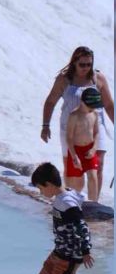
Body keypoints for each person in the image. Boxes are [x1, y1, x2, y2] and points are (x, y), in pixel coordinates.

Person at [42, 47, 114, 196]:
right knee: (73, 169)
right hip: (70, 128)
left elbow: (108, 105)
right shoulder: (64, 79)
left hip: (94, 126)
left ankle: (94, 205)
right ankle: (73, 201)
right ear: (74, 62)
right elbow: (50, 102)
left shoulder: (97, 78)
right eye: (82, 64)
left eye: (89, 64)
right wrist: (45, 125)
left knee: (98, 165)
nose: (86, 68)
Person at [30, 163, 94, 274]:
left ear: (50, 184)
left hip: (71, 253)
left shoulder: (67, 203)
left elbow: (82, 227)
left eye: (41, 188)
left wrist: (85, 251)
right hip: (60, 250)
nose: (40, 192)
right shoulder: (62, 197)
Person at [64, 88, 104, 202]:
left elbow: (96, 133)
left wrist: (94, 148)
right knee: (77, 182)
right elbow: (69, 137)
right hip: (76, 150)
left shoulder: (95, 114)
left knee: (93, 176)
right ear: (82, 101)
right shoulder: (74, 115)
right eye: (91, 105)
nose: (93, 108)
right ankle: (73, 203)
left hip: (90, 149)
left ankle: (93, 203)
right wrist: (74, 155)